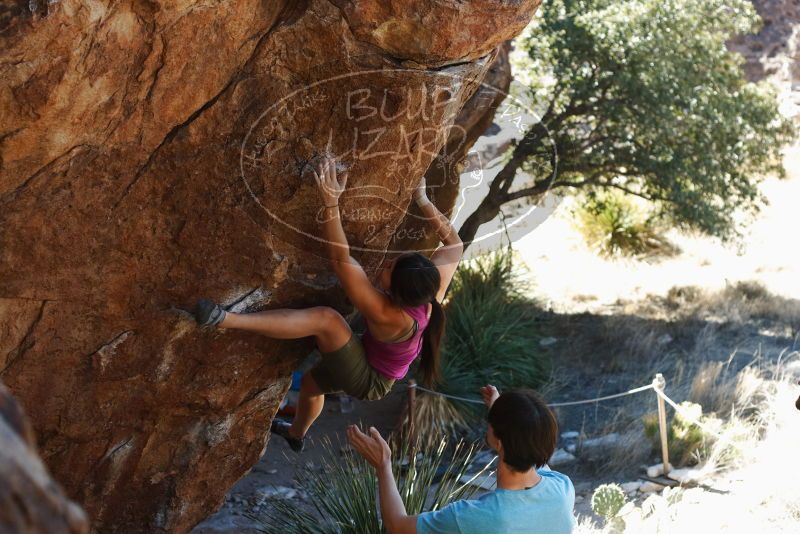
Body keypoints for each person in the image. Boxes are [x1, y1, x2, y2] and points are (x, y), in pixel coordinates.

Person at [192, 156, 464, 452]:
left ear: (397, 295)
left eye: (389, 268)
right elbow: (454, 244)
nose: (385, 263)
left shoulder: (389, 314)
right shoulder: (428, 292)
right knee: (310, 385)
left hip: (369, 380)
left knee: (327, 319)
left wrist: (331, 202)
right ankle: (296, 435)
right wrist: (422, 199)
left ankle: (226, 320)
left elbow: (340, 259)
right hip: (374, 360)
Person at [347, 385, 576, 534]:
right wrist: (502, 414)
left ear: (500, 440)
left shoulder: (474, 518)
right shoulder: (563, 489)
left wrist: (384, 465)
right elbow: (529, 445)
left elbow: (397, 525)